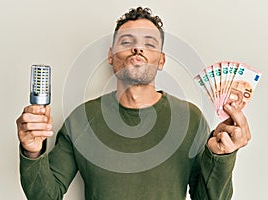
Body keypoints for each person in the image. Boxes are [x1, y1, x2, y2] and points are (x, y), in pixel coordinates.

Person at [16, 7, 251, 200]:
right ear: (110, 56)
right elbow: (46, 196)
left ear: (161, 60)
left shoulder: (190, 118)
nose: (137, 48)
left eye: (149, 44)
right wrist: (32, 151)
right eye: (127, 41)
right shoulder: (81, 119)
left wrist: (221, 156)